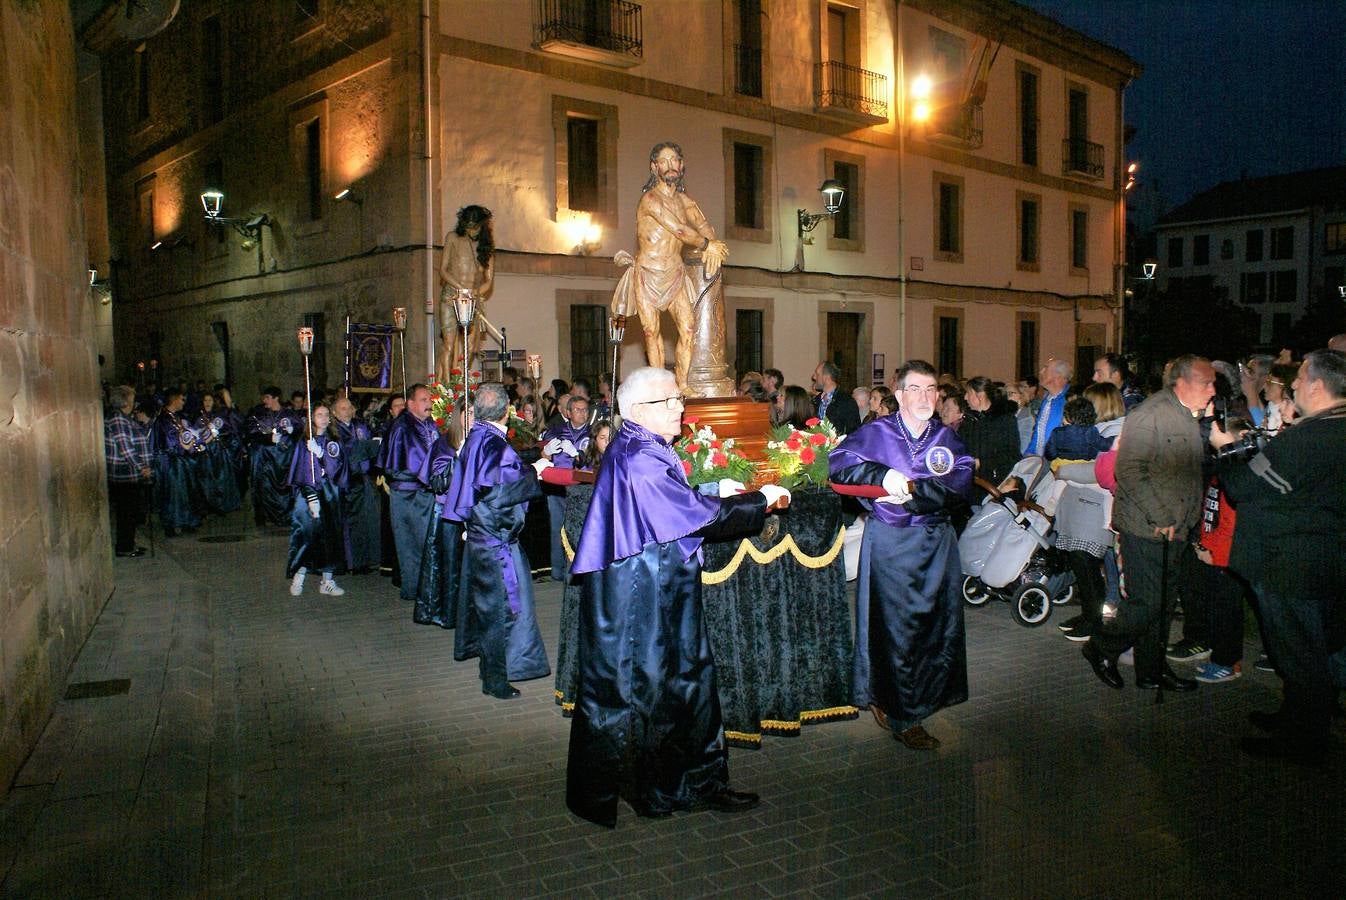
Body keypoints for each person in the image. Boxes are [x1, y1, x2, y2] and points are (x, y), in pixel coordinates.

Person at [566, 367, 790, 827]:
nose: (679, 408)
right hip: (645, 593)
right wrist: (757, 500)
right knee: (660, 687)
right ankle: (669, 787)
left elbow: (670, 502)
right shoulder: (638, 455)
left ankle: (675, 785)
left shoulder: (639, 445)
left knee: (672, 686)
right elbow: (692, 518)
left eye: (677, 399)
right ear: (635, 412)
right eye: (666, 402)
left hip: (651, 585)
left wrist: (708, 488)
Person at [829, 360, 974, 750]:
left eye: (931, 390)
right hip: (892, 544)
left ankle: (923, 697)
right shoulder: (877, 432)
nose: (925, 397)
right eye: (916, 389)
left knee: (933, 627)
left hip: (936, 543)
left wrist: (910, 490)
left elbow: (959, 483)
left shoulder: (946, 437)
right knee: (895, 630)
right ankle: (899, 710)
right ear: (899, 394)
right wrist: (880, 477)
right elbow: (837, 466)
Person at [1213, 349, 1346, 763]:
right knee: (1313, 648)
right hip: (1323, 555)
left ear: (1318, 387)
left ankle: (1303, 742)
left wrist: (1228, 448)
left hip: (1288, 561)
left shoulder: (1309, 438)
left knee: (1297, 654)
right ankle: (1297, 720)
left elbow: (1242, 486)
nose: (1293, 387)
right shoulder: (1331, 428)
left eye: (1299, 380)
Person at [1081, 355, 1215, 693]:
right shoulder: (1151, 414)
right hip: (1146, 526)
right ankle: (1101, 646)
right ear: (1183, 383)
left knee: (1164, 604)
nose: (1213, 389)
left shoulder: (1188, 415)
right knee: (1147, 602)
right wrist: (1161, 515)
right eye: (1207, 383)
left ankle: (1152, 669)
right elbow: (1130, 470)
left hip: (1176, 528)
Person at [443, 383, 552, 699]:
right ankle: (496, 679)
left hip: (479, 540)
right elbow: (500, 494)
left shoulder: (475, 438)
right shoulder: (495, 446)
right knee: (501, 612)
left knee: (489, 609)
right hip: (495, 543)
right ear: (508, 411)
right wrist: (534, 472)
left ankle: (490, 670)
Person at [611, 142, 729, 394]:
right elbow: (679, 229)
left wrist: (714, 245)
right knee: (651, 331)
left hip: (675, 271)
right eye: (663, 161)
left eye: (674, 160)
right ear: (654, 168)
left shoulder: (685, 200)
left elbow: (703, 224)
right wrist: (707, 244)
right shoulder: (649, 200)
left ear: (682, 165)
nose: (670, 165)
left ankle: (683, 384)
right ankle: (659, 386)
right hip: (648, 272)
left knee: (688, 328)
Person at [375, 383, 440, 603]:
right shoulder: (402, 427)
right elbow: (394, 467)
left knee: (428, 542)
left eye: (429, 400)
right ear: (410, 403)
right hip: (409, 496)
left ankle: (429, 586)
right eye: (423, 400)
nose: (429, 404)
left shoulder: (429, 424)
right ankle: (415, 589)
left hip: (427, 493)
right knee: (411, 543)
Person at [285, 403, 346, 597]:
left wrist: (321, 454)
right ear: (312, 418)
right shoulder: (304, 442)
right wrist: (310, 496)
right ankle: (299, 576)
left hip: (328, 495)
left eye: (326, 415)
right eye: (318, 414)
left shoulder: (333, 442)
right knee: (307, 536)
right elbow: (299, 471)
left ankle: (327, 581)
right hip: (308, 496)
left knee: (329, 538)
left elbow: (337, 469)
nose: (323, 418)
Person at [438, 204, 495, 382]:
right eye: (468, 227)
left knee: (470, 347)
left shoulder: (486, 248)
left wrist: (473, 292)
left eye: (475, 227)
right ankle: (446, 388)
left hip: (472, 299)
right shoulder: (453, 238)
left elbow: (489, 281)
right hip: (451, 296)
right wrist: (460, 288)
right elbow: (443, 270)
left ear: (482, 226)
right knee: (449, 344)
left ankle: (461, 384)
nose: (471, 231)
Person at [541, 395, 592, 581]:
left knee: (579, 527)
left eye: (585, 409)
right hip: (556, 486)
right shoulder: (556, 431)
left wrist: (577, 454)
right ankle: (558, 570)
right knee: (557, 527)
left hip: (581, 488)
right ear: (568, 413)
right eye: (578, 410)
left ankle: (580, 570)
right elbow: (543, 454)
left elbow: (594, 461)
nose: (582, 413)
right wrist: (545, 452)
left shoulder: (593, 433)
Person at [332, 397, 382, 574]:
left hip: (366, 477)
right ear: (335, 412)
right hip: (349, 481)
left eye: (349, 407)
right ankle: (355, 561)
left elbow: (372, 444)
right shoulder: (335, 431)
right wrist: (363, 448)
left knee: (369, 519)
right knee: (353, 523)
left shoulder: (360, 425)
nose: (347, 410)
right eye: (342, 408)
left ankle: (371, 558)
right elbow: (347, 452)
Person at [105, 384, 151, 557]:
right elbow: (125, 447)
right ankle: (125, 547)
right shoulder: (118, 419)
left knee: (130, 512)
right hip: (124, 474)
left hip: (130, 474)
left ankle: (128, 544)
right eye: (131, 397)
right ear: (124, 400)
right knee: (126, 513)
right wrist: (142, 466)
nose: (134, 401)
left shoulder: (125, 417)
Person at [149, 389, 203, 537]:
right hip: (170, 462)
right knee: (172, 494)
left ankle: (186, 520)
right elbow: (170, 442)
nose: (183, 402)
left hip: (179, 460)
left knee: (184, 492)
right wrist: (185, 447)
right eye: (182, 399)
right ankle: (170, 524)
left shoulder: (175, 417)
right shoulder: (164, 420)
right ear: (174, 400)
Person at [959, 377, 1021, 496]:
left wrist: (982, 462)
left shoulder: (1004, 420)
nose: (965, 397)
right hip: (969, 483)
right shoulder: (969, 420)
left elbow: (1011, 455)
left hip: (993, 484)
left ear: (980, 395)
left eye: (968, 393)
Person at [245, 387, 297, 527]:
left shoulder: (288, 414)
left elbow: (301, 430)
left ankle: (286, 515)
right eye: (264, 397)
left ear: (276, 398)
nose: (264, 400)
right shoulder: (259, 414)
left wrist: (294, 431)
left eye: (267, 397)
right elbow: (251, 432)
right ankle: (266, 516)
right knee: (265, 487)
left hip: (284, 458)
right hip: (266, 458)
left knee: (285, 486)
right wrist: (268, 438)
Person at [1044, 396, 1113, 465]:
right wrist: (1114, 438)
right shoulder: (1090, 431)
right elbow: (1104, 446)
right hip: (1084, 466)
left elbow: (1050, 454)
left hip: (1061, 465)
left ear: (1068, 416)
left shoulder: (1057, 432)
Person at [1025, 358, 1072, 455]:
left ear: (1058, 375)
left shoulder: (1070, 400)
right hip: (1040, 461)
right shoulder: (1047, 400)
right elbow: (1039, 433)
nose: (1041, 372)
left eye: (1045, 368)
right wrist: (1029, 454)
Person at [811, 361, 861, 435]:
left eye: (817, 374)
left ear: (826, 377)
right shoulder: (815, 401)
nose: (814, 377)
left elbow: (854, 433)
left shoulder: (846, 402)